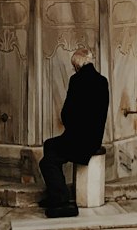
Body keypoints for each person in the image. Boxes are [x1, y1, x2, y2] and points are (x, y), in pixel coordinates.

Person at [39, 46, 109, 219]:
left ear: (77, 64)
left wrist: (71, 126)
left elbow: (67, 114)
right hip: (94, 138)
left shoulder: (76, 80)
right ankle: (56, 194)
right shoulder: (102, 80)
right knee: (50, 145)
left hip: (80, 139)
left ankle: (62, 201)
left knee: (47, 162)